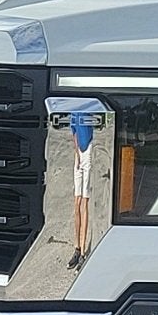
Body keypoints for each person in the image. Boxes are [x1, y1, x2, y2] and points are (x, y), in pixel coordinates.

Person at [68, 112, 95, 269]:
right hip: (78, 154)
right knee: (76, 202)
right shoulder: (74, 110)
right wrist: (77, 154)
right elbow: (74, 131)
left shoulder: (89, 108)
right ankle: (77, 248)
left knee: (84, 202)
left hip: (89, 150)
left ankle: (83, 251)